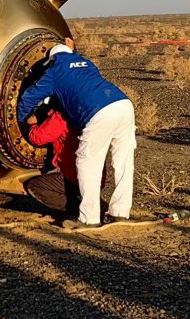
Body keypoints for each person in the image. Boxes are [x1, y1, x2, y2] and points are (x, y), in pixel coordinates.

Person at [16, 37, 136, 229]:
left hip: (98, 111)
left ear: (52, 59)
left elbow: (30, 96)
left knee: (87, 162)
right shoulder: (86, 63)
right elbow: (76, 70)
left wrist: (21, 118)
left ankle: (89, 219)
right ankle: (120, 213)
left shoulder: (54, 70)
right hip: (123, 105)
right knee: (123, 162)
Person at [23, 102, 82, 218]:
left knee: (35, 186)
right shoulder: (82, 112)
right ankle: (89, 202)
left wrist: (32, 124)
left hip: (74, 175)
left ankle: (79, 209)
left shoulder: (61, 117)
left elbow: (37, 138)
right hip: (94, 176)